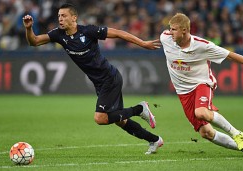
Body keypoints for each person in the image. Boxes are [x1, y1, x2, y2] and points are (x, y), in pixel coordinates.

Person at [22, 3, 163, 154]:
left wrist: (142, 43)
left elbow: (118, 33)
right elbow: (34, 42)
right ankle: (154, 140)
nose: (60, 19)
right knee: (120, 120)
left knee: (100, 118)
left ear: (74, 18)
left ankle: (139, 109)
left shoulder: (88, 31)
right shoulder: (59, 34)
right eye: (58, 16)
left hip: (110, 78)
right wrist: (29, 28)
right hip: (99, 83)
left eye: (64, 16)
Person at [160, 13, 243, 157]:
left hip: (202, 83)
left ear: (185, 30)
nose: (171, 32)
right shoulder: (165, 38)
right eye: (170, 29)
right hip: (183, 92)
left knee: (200, 112)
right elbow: (155, 41)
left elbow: (231, 56)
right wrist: (144, 44)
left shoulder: (203, 46)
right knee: (206, 133)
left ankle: (236, 133)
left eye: (174, 29)